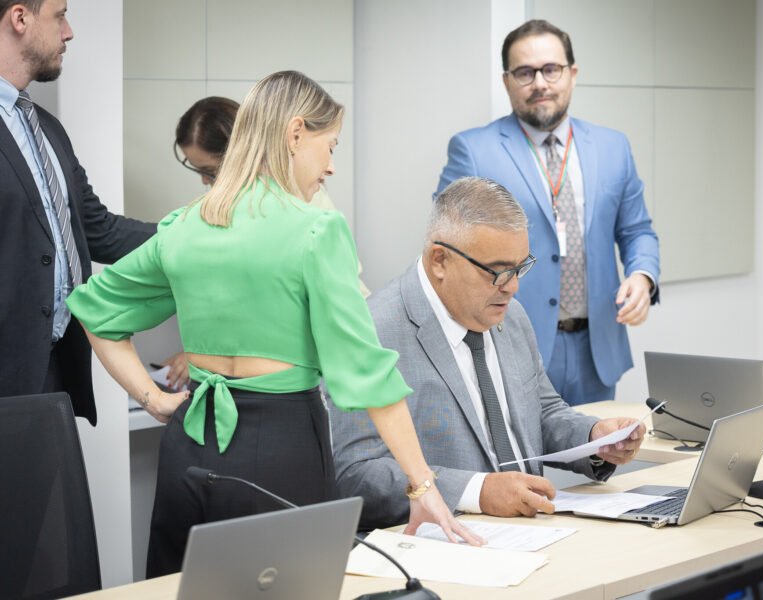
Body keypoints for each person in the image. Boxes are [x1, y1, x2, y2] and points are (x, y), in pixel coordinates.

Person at [67, 70, 480, 577]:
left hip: (187, 444)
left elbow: (96, 311)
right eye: (331, 146)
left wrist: (152, 399)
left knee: (183, 588)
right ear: (296, 133)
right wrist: (422, 487)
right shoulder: (316, 231)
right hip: (280, 444)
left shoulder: (185, 224)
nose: (331, 166)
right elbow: (367, 375)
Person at [329, 177, 646, 530]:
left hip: (535, 530)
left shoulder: (510, 314)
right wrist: (477, 492)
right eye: (497, 271)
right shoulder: (371, 332)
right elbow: (355, 473)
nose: (513, 286)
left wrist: (593, 437)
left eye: (520, 267)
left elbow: (541, 411)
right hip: (447, 540)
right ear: (439, 260)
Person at [435, 19, 660, 406]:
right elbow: (447, 244)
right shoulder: (474, 150)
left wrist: (642, 276)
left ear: (572, 74)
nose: (540, 83)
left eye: (551, 69)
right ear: (507, 81)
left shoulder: (613, 147)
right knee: (524, 449)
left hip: (597, 348)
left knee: (596, 445)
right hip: (509, 342)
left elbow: (637, 230)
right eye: (525, 72)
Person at [0, 0, 155, 423]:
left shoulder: (46, 128)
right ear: (20, 18)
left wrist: (194, 232)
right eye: (59, 16)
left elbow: (97, 229)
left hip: (53, 372)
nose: (68, 32)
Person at [160, 96, 372, 390]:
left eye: (210, 172)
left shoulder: (303, 206)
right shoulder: (225, 209)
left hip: (324, 358)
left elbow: (277, 307)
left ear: (241, 154)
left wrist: (207, 357)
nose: (205, 182)